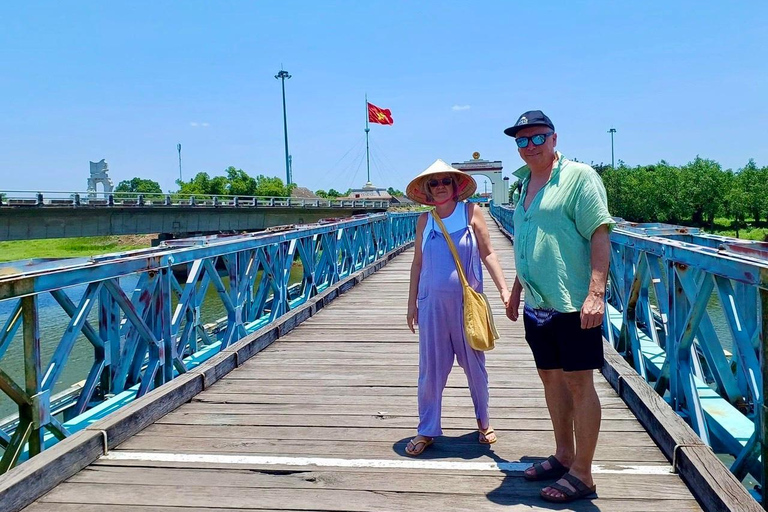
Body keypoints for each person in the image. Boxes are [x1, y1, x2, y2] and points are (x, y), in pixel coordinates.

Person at [503, 111, 614, 503]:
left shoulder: (579, 177)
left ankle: (583, 473)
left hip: (571, 301)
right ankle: (564, 454)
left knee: (579, 382)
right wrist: (517, 288)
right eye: (522, 141)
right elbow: (530, 240)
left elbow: (600, 234)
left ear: (554, 138)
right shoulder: (522, 185)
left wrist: (596, 293)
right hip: (537, 303)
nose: (529, 146)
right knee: (551, 379)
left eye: (537, 138)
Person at [404, 159, 511, 456]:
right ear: (427, 189)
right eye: (434, 183)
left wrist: (503, 289)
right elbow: (417, 263)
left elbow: (488, 253)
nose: (440, 187)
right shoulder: (424, 220)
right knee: (431, 370)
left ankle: (483, 421)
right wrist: (411, 302)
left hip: (467, 305)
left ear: (456, 186)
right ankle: (427, 429)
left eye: (445, 182)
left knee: (475, 367)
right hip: (431, 305)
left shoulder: (471, 212)